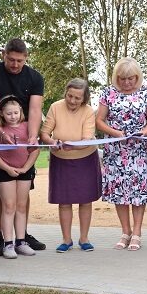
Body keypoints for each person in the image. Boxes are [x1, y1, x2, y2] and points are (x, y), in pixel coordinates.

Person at [0, 38, 45, 256]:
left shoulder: (35, 77)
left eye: (19, 61)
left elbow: (35, 110)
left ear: (26, 58)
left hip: (23, 135)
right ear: (3, 54)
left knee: (22, 191)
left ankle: (21, 235)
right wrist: (0, 132)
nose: (15, 64)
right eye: (11, 60)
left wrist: (33, 136)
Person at [95, 58, 147, 252]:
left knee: (138, 193)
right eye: (122, 78)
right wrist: (115, 133)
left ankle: (137, 233)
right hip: (115, 151)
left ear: (137, 77)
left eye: (131, 78)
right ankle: (125, 232)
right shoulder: (108, 93)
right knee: (119, 192)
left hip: (139, 151)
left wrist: (144, 133)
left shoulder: (146, 93)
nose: (127, 82)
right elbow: (99, 120)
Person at [40, 78, 101, 253]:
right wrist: (53, 142)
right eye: (70, 96)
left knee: (85, 200)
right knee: (64, 201)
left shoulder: (89, 111)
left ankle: (84, 238)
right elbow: (45, 133)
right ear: (65, 93)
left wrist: (72, 145)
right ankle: (66, 240)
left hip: (85, 158)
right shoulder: (55, 107)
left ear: (84, 99)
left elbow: (88, 138)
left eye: (77, 98)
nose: (72, 101)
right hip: (61, 159)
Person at [0, 96, 40, 259]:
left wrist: (26, 167)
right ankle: (8, 243)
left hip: (24, 171)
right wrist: (7, 168)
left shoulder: (26, 127)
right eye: (9, 113)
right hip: (5, 172)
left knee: (21, 206)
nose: (13, 116)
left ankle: (21, 242)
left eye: (16, 112)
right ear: (2, 114)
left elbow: (35, 149)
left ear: (21, 112)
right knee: (9, 206)